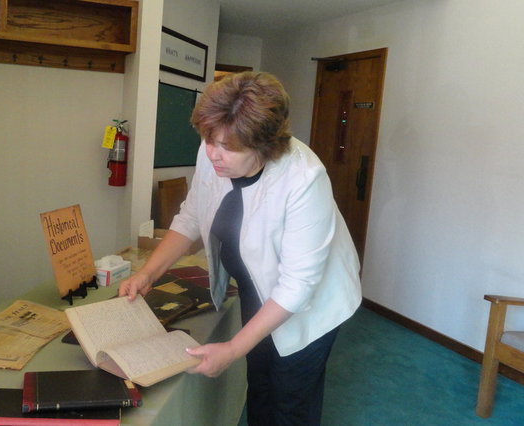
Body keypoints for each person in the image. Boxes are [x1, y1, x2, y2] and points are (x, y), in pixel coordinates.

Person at [119, 71, 361, 426]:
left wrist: (232, 348)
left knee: (290, 397)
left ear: (264, 145)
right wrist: (148, 272)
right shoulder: (212, 148)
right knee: (260, 384)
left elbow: (297, 286)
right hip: (257, 289)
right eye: (208, 140)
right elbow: (191, 215)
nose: (214, 154)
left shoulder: (304, 179)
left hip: (311, 304)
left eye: (228, 147)